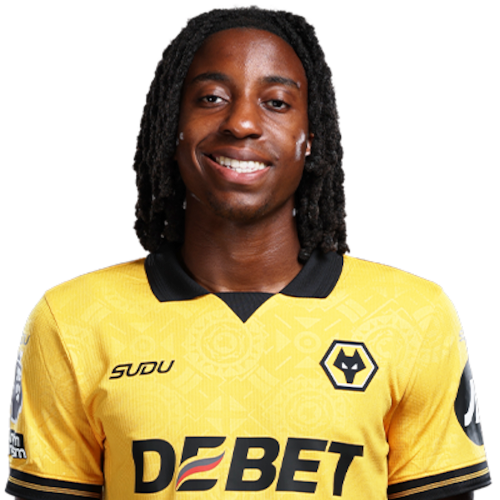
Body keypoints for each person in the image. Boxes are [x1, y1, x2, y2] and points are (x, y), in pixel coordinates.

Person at [5, 3, 492, 500]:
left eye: (276, 102)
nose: (240, 123)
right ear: (172, 126)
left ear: (310, 137)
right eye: (211, 98)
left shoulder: (412, 317)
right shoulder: (73, 320)